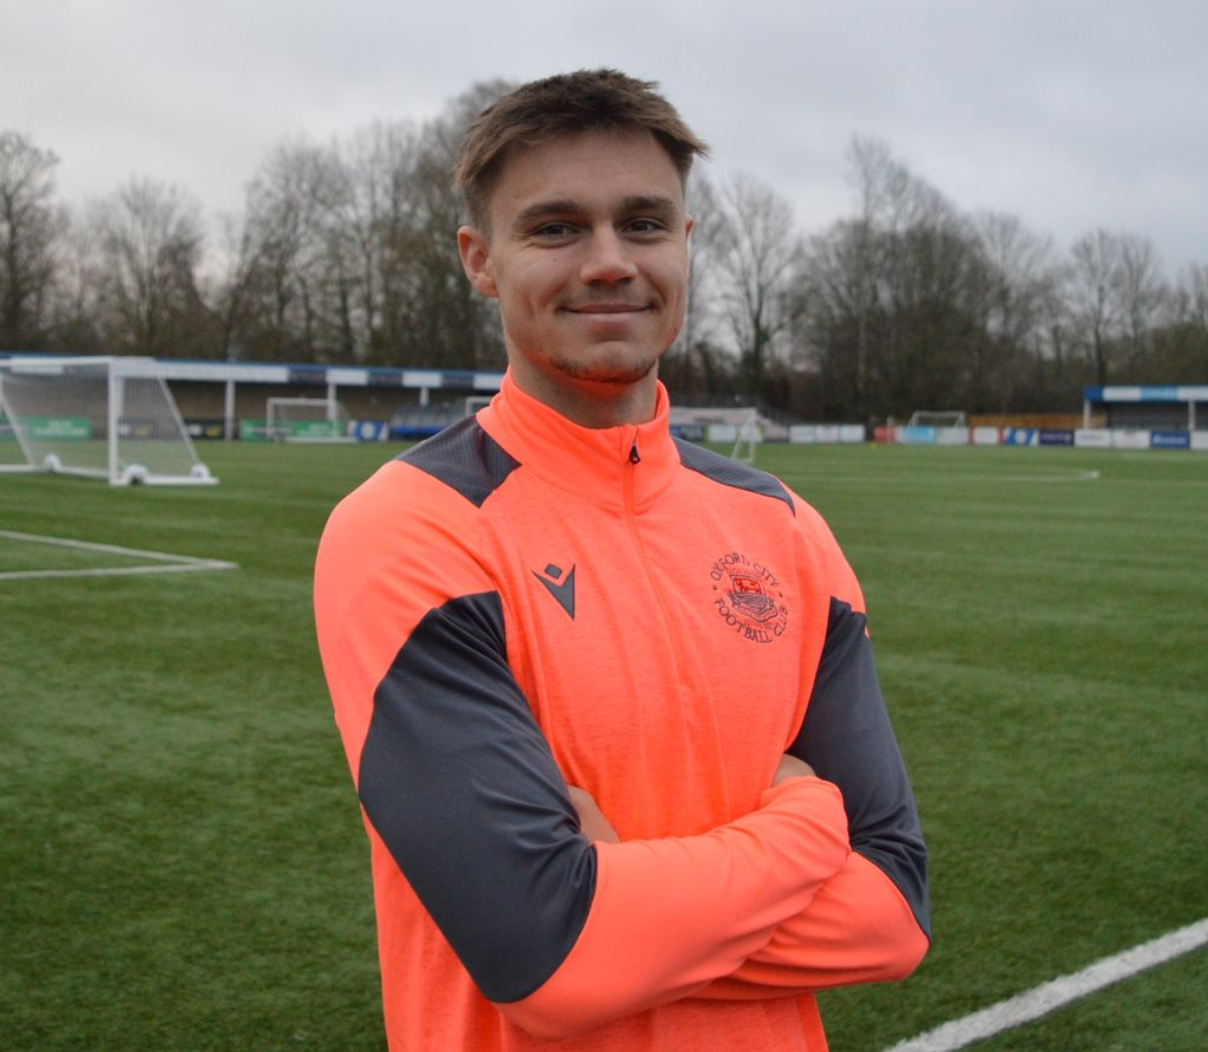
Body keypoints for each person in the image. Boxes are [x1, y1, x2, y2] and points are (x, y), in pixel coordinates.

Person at [313, 69, 929, 1051]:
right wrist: (806, 824)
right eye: (556, 228)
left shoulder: (786, 529)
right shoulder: (414, 528)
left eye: (643, 224)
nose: (609, 262)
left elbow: (893, 909)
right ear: (479, 260)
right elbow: (549, 954)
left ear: (685, 241)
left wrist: (621, 906)